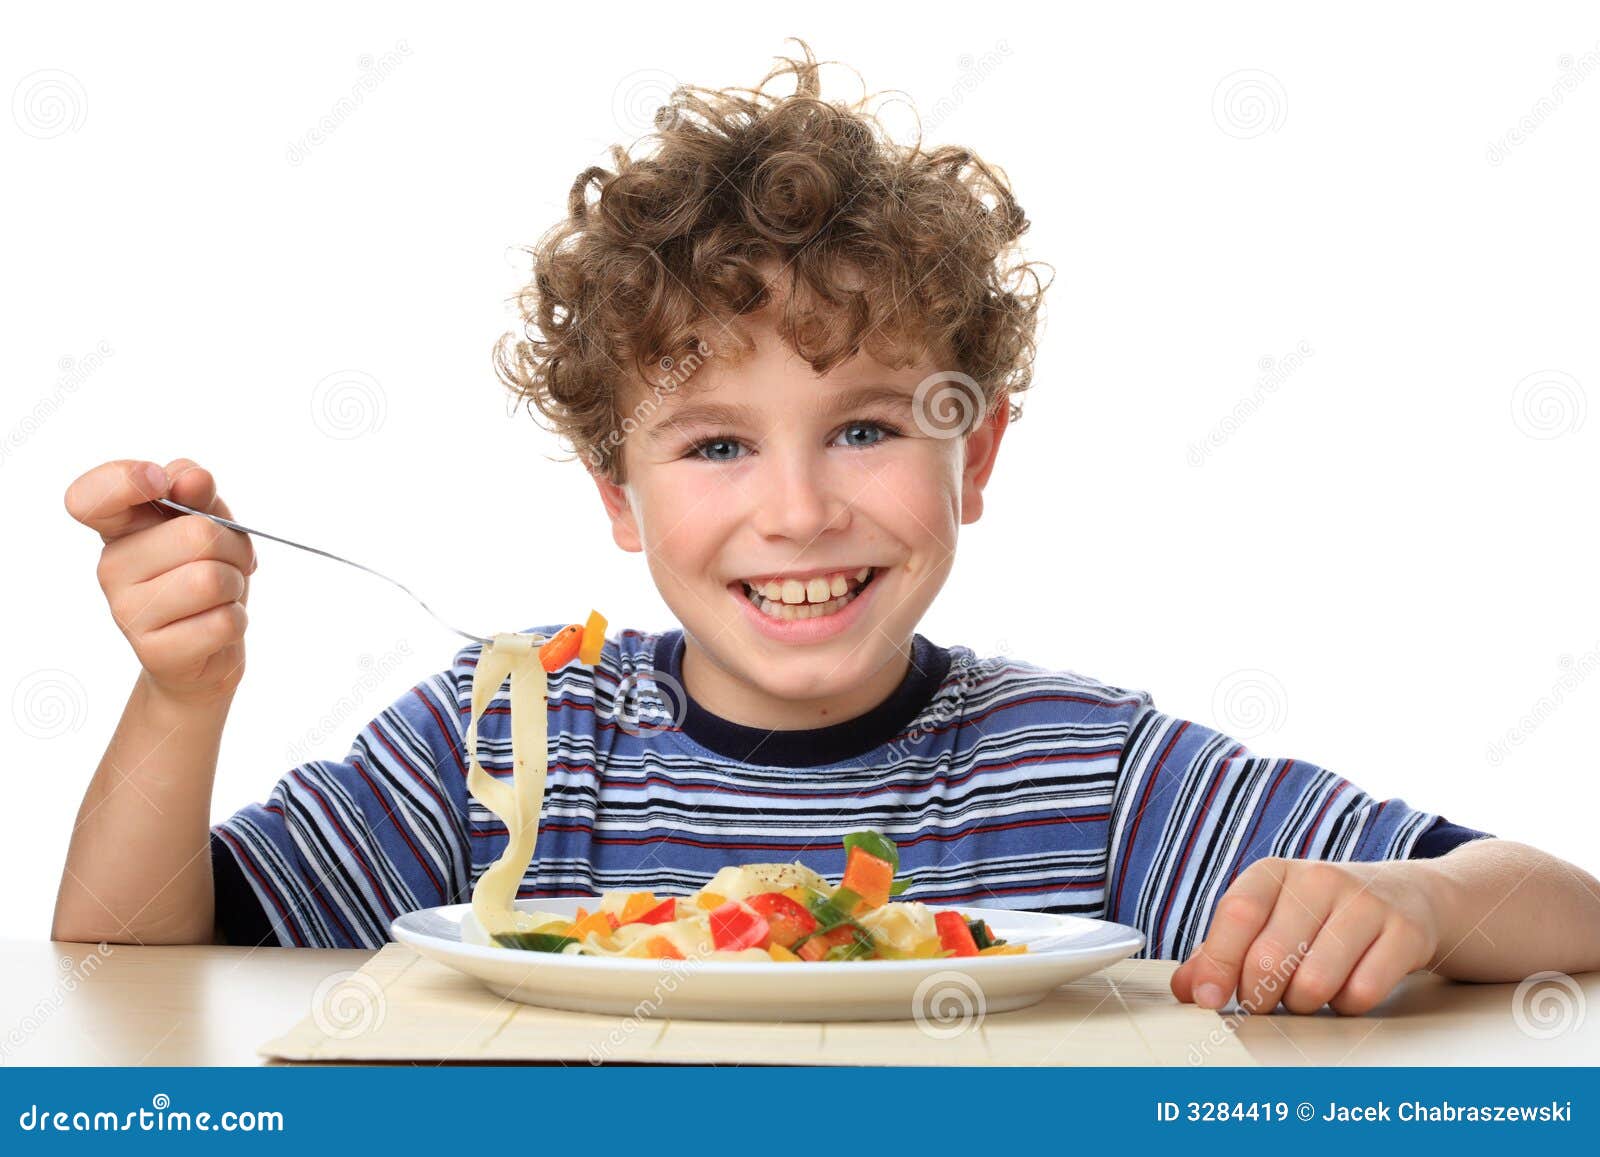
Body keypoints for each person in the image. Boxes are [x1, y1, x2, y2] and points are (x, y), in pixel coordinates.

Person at [53, 43, 1600, 1017]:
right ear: (618, 493)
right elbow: (128, 963)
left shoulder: (1089, 769)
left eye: (866, 427)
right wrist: (180, 696)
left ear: (973, 450)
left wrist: (1417, 899)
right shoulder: (510, 741)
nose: (797, 508)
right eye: (715, 443)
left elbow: (1566, 913)